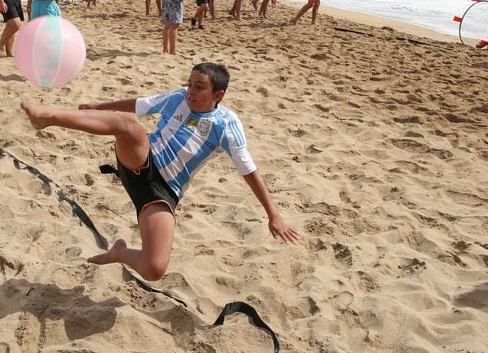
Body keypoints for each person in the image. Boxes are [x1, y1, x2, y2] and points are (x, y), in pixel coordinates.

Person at [20, 63, 298, 282]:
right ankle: (48, 117)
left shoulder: (225, 124)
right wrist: (97, 107)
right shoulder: (177, 97)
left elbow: (248, 170)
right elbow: (139, 105)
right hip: (142, 161)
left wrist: (274, 215)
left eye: (199, 87)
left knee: (154, 269)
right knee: (129, 126)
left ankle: (120, 253)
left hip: (164, 192)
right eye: (190, 83)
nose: (190, 90)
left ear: (218, 95)